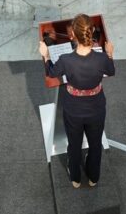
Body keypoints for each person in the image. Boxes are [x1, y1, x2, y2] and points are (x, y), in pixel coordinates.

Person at [38, 14, 115, 189]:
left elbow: (52, 72)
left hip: (73, 110)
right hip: (96, 109)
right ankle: (93, 177)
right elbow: (111, 71)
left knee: (74, 144)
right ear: (91, 32)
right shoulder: (102, 58)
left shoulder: (66, 60)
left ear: (72, 34)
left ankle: (75, 179)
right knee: (95, 144)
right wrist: (110, 53)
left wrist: (46, 55)